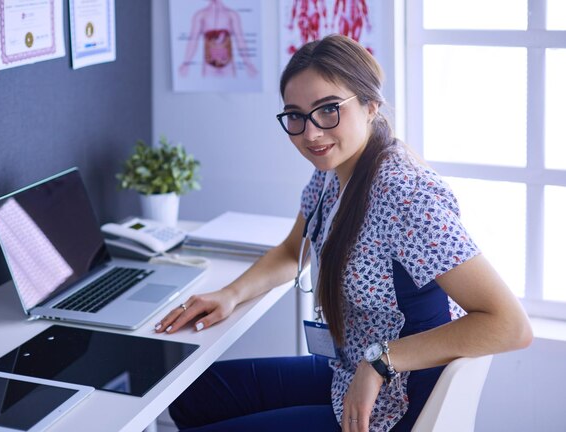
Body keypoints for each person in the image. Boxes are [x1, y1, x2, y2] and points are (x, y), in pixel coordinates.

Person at [154, 34, 533, 432]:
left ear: (370, 105)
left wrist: (380, 362)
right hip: (348, 371)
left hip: (392, 404)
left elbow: (510, 325)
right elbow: (291, 251)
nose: (311, 133)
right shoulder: (333, 174)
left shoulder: (403, 196)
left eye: (329, 110)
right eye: (296, 116)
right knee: (191, 397)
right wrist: (229, 294)